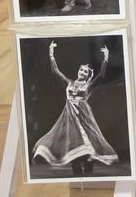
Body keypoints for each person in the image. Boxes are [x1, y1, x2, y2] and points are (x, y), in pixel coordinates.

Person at [34, 41, 117, 178]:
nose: (82, 72)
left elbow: (101, 76)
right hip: (69, 115)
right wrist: (51, 54)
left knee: (88, 139)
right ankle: (76, 165)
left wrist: (106, 59)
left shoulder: (89, 85)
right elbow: (55, 72)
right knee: (72, 139)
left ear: (87, 75)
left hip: (83, 116)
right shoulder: (69, 83)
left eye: (85, 71)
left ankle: (88, 164)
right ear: (78, 71)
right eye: (81, 70)